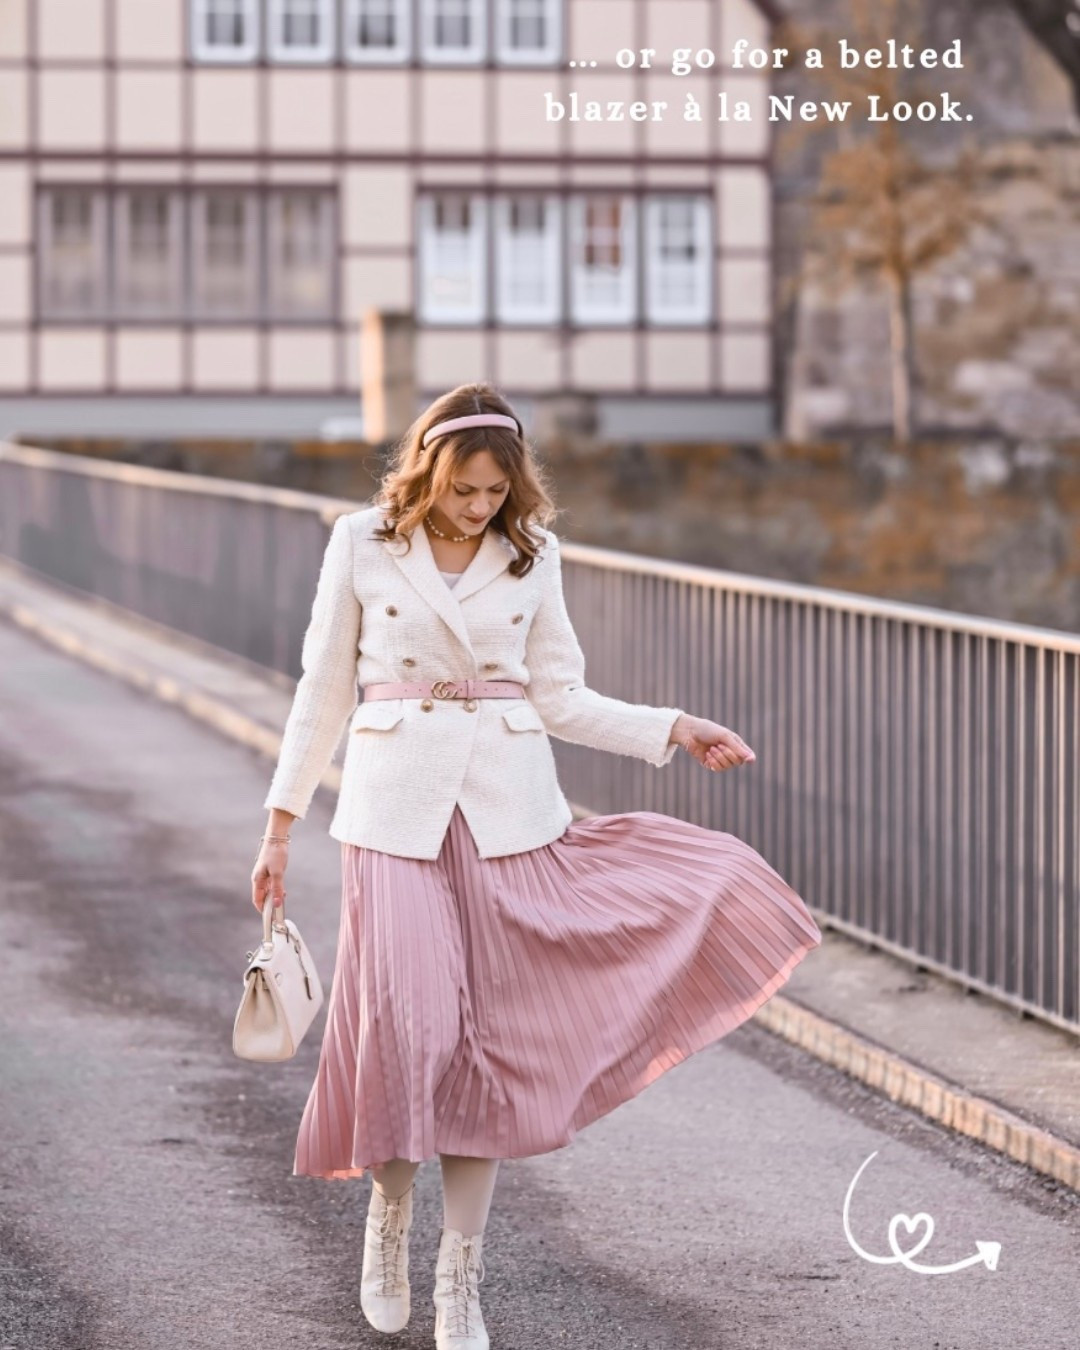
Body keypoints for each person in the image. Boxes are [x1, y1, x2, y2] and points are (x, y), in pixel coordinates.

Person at [251, 382, 822, 1349]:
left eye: (493, 494)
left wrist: (671, 727)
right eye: (464, 491)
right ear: (429, 471)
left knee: (490, 1052)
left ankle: (458, 1281)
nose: (478, 509)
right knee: (408, 1033)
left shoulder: (535, 555)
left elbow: (560, 695)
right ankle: (388, 1225)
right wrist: (278, 826)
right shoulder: (359, 541)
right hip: (392, 819)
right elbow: (325, 687)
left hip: (509, 815)